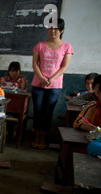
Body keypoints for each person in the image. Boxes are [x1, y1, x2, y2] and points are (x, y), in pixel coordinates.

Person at [31, 18, 74, 149]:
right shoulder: (40, 45)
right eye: (50, 28)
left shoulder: (67, 46)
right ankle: (36, 137)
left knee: (47, 112)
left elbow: (64, 67)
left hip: (54, 86)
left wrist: (51, 78)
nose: (52, 31)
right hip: (38, 84)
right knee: (38, 111)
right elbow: (35, 64)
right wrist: (42, 78)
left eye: (56, 29)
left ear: (62, 31)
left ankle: (43, 138)